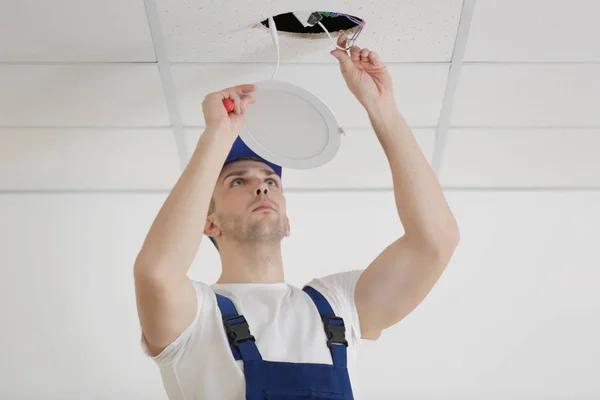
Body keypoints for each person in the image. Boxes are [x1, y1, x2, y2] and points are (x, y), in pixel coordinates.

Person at [134, 33, 460, 399]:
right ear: (208, 224)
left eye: (271, 181)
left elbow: (435, 240)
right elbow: (156, 272)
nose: (262, 188)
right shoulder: (195, 316)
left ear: (287, 223)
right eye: (237, 181)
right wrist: (217, 136)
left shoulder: (337, 305)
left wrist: (383, 110)